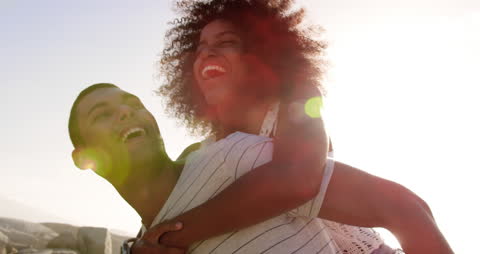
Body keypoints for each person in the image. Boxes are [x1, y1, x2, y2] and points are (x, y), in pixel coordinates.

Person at [135, 0, 453, 253]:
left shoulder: (297, 101)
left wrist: (173, 237)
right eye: (200, 48)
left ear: (260, 53)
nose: (208, 52)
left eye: (226, 41)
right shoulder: (206, 153)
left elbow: (297, 179)